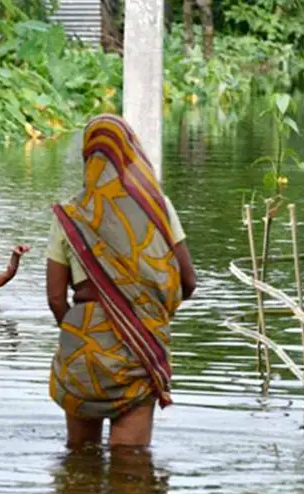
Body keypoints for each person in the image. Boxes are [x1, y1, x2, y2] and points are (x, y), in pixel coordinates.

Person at [45, 114, 196, 449]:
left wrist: (82, 333)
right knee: (133, 471)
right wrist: (146, 314)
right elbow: (188, 280)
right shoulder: (159, 208)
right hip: (138, 346)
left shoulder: (71, 214)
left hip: (82, 346)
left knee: (79, 462)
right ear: (130, 153)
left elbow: (56, 298)